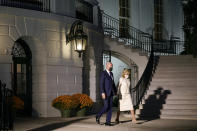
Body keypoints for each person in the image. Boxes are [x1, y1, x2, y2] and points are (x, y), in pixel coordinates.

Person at [96, 62, 117, 126]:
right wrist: (102, 92)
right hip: (105, 93)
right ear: (107, 66)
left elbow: (113, 83)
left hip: (111, 93)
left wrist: (115, 92)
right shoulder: (103, 73)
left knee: (110, 107)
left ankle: (108, 122)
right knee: (106, 106)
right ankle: (98, 116)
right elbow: (101, 84)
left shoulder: (111, 73)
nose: (111, 67)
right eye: (111, 65)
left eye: (112, 66)